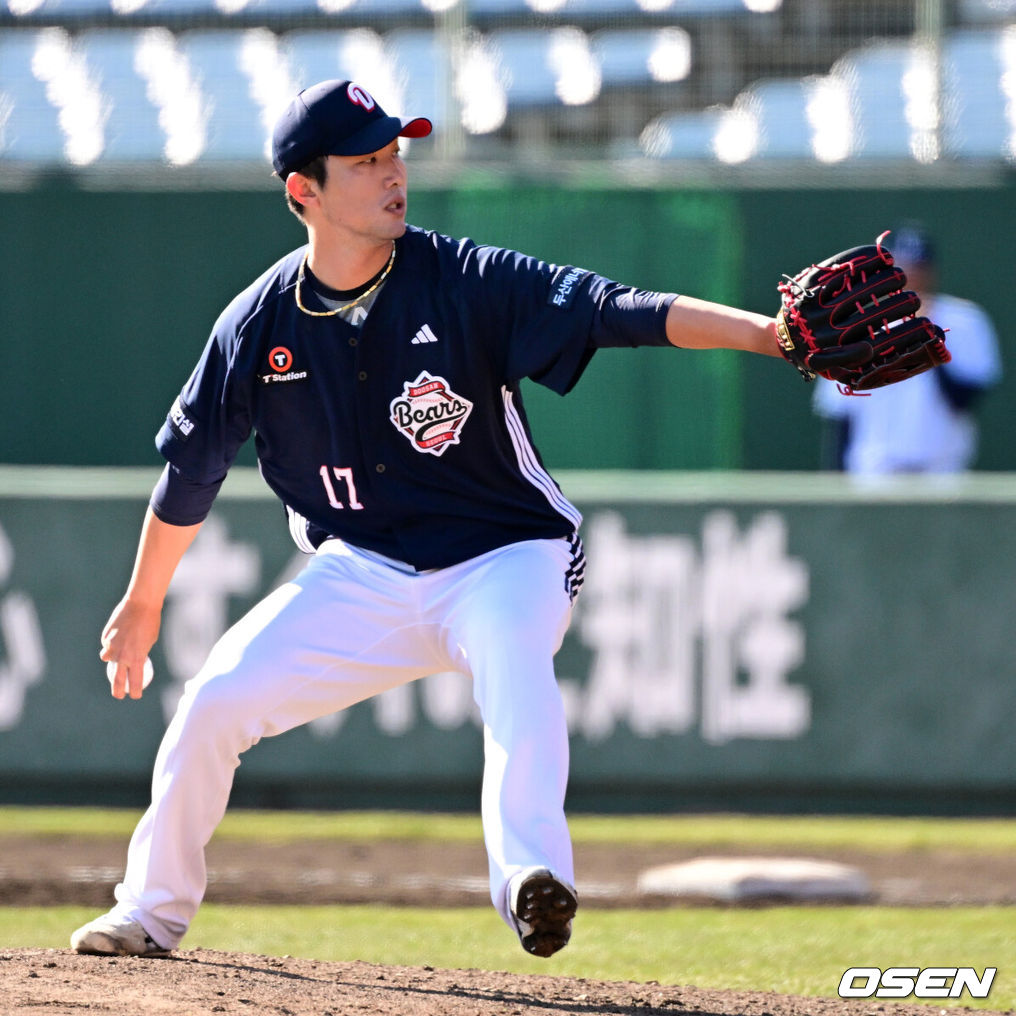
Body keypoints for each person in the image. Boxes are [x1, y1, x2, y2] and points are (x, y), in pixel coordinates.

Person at [70, 79, 783, 961]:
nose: (393, 173)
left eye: (395, 152)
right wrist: (145, 603)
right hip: (362, 571)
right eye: (366, 160)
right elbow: (192, 470)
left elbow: (616, 311)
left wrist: (768, 334)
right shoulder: (256, 326)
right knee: (214, 703)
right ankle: (148, 910)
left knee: (513, 662)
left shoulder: (462, 280)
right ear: (305, 191)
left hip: (506, 554)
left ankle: (531, 879)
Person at [813, 224, 1002, 475]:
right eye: (900, 268)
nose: (910, 275)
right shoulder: (856, 326)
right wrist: (836, 483)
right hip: (873, 472)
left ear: (932, 270)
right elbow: (842, 418)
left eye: (918, 267)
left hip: (942, 470)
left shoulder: (964, 320)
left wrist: (925, 340)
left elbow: (963, 399)